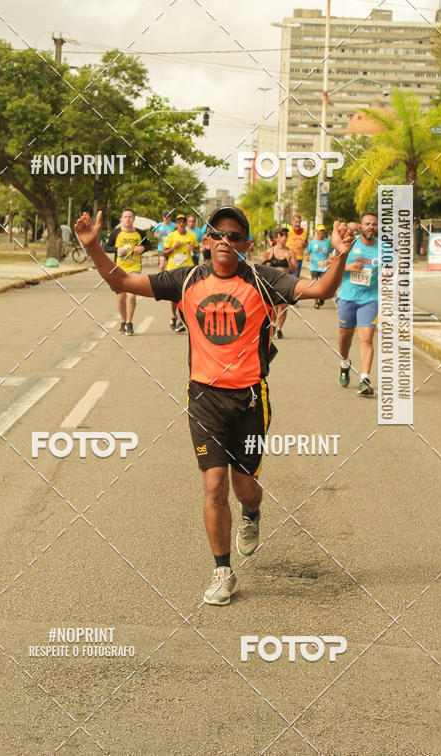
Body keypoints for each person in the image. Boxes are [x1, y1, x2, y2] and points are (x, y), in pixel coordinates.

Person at [74, 205, 355, 606]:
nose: (225, 241)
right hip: (204, 399)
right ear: (206, 242)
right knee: (214, 484)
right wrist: (92, 246)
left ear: (246, 245)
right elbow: (120, 279)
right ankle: (222, 570)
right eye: (218, 234)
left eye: (234, 236)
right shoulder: (187, 278)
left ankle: (252, 512)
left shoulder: (263, 278)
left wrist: (341, 255)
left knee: (245, 487)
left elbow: (321, 291)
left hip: (251, 401)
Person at [336, 212, 379, 397]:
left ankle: (365, 378)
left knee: (367, 336)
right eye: (368, 223)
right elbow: (331, 263)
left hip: (370, 299)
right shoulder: (349, 244)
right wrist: (348, 267)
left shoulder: (384, 248)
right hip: (347, 297)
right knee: (346, 336)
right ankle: (344, 363)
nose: (371, 227)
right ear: (360, 227)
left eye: (375, 224)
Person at [104, 207, 151, 335]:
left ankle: (129, 323)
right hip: (119, 268)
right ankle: (123, 322)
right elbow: (106, 247)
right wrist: (117, 250)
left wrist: (142, 248)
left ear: (133, 219)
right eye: (125, 217)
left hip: (135, 268)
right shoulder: (115, 233)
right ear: (121, 219)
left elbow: (148, 245)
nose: (127, 219)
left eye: (130, 217)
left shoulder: (140, 233)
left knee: (131, 295)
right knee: (121, 296)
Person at [163, 214, 198, 332]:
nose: (181, 224)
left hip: (187, 268)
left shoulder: (192, 236)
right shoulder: (171, 236)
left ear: (186, 224)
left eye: (183, 222)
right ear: (176, 224)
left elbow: (197, 249)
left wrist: (193, 248)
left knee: (183, 295)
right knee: (173, 296)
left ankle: (180, 321)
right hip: (173, 269)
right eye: (179, 222)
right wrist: (174, 247)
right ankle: (174, 316)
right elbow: (164, 252)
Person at [262, 229, 296, 338]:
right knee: (273, 307)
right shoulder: (269, 251)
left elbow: (294, 269)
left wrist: (290, 260)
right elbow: (263, 267)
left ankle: (279, 330)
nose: (284, 237)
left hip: (285, 282)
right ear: (276, 237)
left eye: (286, 235)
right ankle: (272, 325)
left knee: (284, 307)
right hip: (273, 283)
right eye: (281, 235)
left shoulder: (290, 252)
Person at [305, 224, 331, 309]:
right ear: (316, 232)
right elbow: (307, 253)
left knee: (324, 283)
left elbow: (330, 253)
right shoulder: (312, 243)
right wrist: (307, 257)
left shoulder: (327, 242)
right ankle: (316, 302)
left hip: (324, 267)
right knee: (314, 285)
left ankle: (322, 298)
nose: (322, 232)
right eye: (320, 230)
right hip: (314, 267)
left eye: (323, 230)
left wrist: (331, 260)